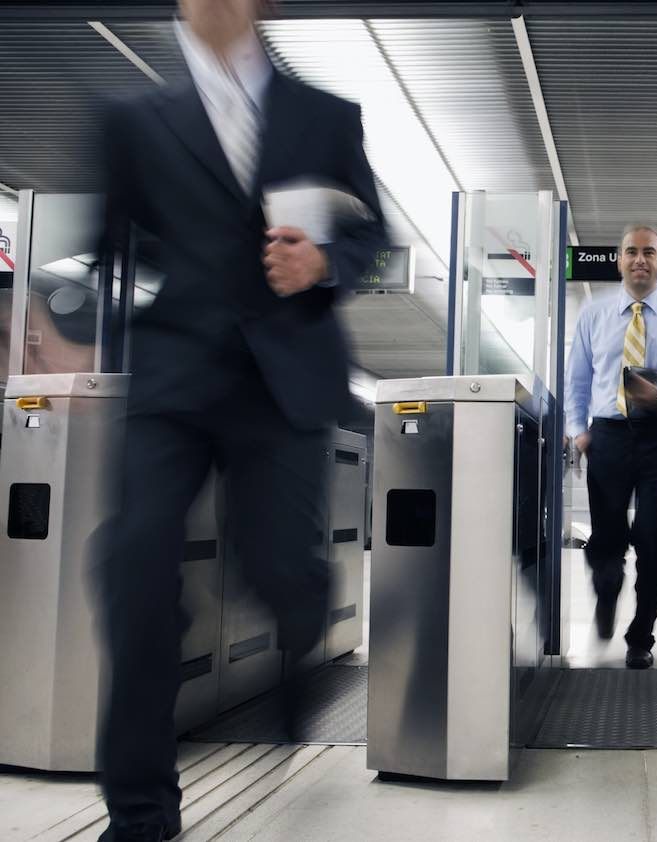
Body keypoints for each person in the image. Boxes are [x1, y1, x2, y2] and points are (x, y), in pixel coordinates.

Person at [95, 1, 386, 838]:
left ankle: (302, 626)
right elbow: (113, 245)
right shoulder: (134, 118)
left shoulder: (326, 116)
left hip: (284, 378)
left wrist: (326, 259)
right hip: (174, 379)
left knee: (281, 570)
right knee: (135, 573)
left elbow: (374, 234)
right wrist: (64, 336)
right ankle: (142, 812)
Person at [565, 224, 657, 669]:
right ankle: (606, 594)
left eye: (649, 252)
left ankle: (640, 634)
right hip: (607, 436)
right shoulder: (594, 314)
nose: (640, 260)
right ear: (619, 259)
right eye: (632, 251)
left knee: (656, 540)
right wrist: (579, 431)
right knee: (606, 540)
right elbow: (578, 379)